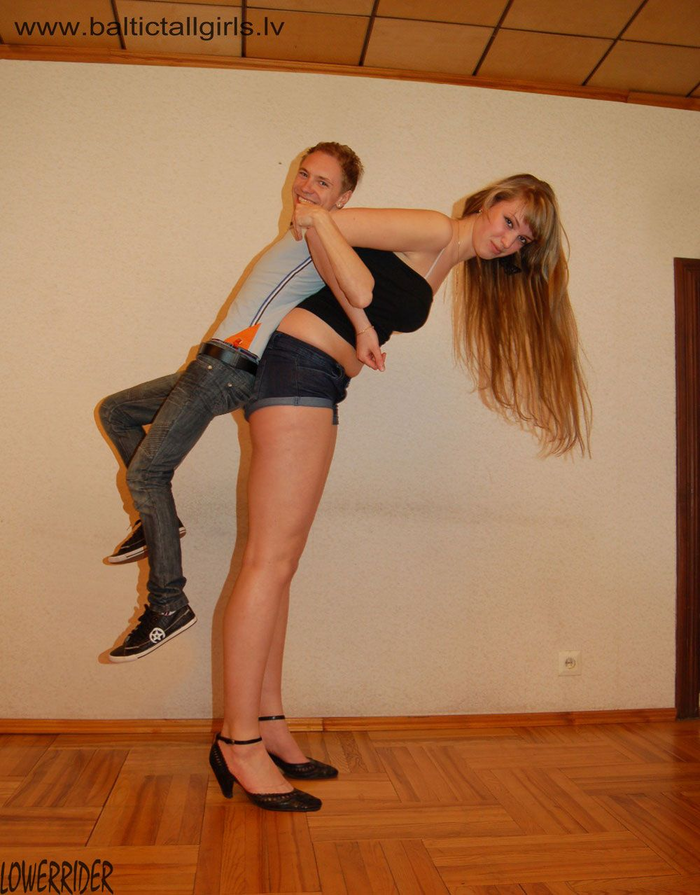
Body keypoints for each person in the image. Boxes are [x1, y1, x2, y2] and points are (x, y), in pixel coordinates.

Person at [209, 174, 592, 813]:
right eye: (509, 221)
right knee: (267, 563)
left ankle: (268, 725)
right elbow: (316, 223)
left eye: (523, 239)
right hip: (298, 365)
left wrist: (362, 326)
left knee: (280, 565)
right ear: (488, 203)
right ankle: (238, 741)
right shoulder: (433, 228)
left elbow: (337, 257)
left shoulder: (448, 261)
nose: (509, 241)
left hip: (317, 374)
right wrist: (356, 313)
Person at [99, 142, 379, 663]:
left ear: (343, 198)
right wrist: (364, 331)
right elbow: (342, 293)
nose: (306, 187)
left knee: (147, 476)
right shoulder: (307, 233)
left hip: (228, 366)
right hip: (214, 363)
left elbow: (358, 286)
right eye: (304, 174)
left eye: (323, 183)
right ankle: (156, 523)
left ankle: (167, 605)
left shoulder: (323, 228)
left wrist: (327, 231)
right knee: (117, 411)